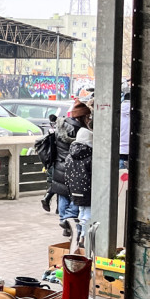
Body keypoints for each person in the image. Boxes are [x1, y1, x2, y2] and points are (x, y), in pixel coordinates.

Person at [49, 101, 90, 237]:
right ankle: (69, 218)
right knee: (75, 195)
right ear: (82, 117)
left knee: (62, 194)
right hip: (76, 166)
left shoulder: (60, 126)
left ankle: (63, 219)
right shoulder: (80, 130)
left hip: (60, 164)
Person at [65, 125, 93, 239]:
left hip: (74, 190)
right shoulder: (90, 157)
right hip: (88, 190)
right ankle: (83, 237)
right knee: (88, 214)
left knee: (81, 212)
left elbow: (66, 174)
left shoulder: (69, 156)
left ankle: (77, 233)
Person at [120, 85, 131, 170]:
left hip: (119, 151)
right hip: (133, 151)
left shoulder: (115, 114)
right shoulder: (137, 115)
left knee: (120, 181)